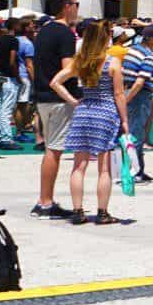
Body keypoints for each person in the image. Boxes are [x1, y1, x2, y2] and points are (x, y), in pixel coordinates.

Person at [57, 19, 128, 225]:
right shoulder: (112, 62)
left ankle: (78, 211)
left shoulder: (81, 61)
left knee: (79, 166)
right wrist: (124, 120)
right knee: (103, 169)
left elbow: (55, 82)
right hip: (105, 113)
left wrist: (72, 100)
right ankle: (102, 212)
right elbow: (119, 94)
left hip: (84, 110)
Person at [31, 0, 81, 219]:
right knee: (54, 149)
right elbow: (67, 68)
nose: (77, 8)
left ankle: (45, 199)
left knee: (51, 148)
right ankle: (45, 202)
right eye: (76, 4)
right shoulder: (65, 34)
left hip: (42, 95)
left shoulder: (43, 31)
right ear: (66, 7)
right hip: (59, 97)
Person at [123, 25, 153, 182]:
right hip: (139, 96)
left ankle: (139, 169)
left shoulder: (132, 49)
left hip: (127, 91)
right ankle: (135, 172)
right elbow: (139, 82)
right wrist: (127, 100)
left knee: (133, 132)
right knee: (136, 134)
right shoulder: (147, 55)